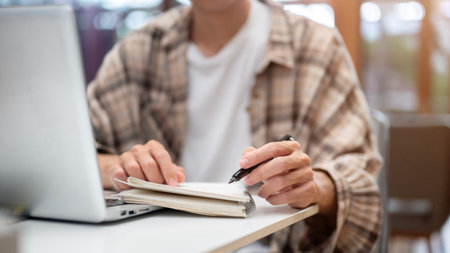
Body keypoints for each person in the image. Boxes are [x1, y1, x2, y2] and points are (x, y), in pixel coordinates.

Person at [87, 0, 382, 251]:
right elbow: (68, 155)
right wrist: (118, 167)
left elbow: (362, 186)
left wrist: (316, 186)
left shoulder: (316, 48)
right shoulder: (137, 52)